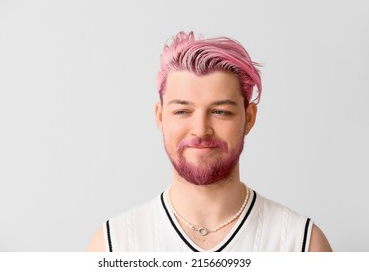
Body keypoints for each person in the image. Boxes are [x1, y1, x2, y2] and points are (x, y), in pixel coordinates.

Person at [87, 31, 332, 252]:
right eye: (182, 111)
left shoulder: (302, 243)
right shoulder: (113, 244)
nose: (201, 130)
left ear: (249, 118)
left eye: (220, 112)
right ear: (160, 118)